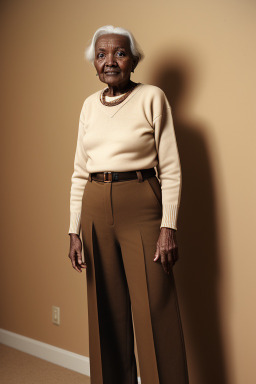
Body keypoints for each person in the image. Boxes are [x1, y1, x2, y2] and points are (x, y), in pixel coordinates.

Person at [68, 25, 189, 384]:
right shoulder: (89, 106)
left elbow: (170, 168)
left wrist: (169, 226)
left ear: (133, 61)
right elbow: (78, 172)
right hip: (93, 204)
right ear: (94, 63)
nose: (110, 61)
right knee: (106, 310)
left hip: (141, 203)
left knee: (156, 308)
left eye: (119, 53)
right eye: (101, 55)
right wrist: (73, 230)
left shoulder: (152, 97)